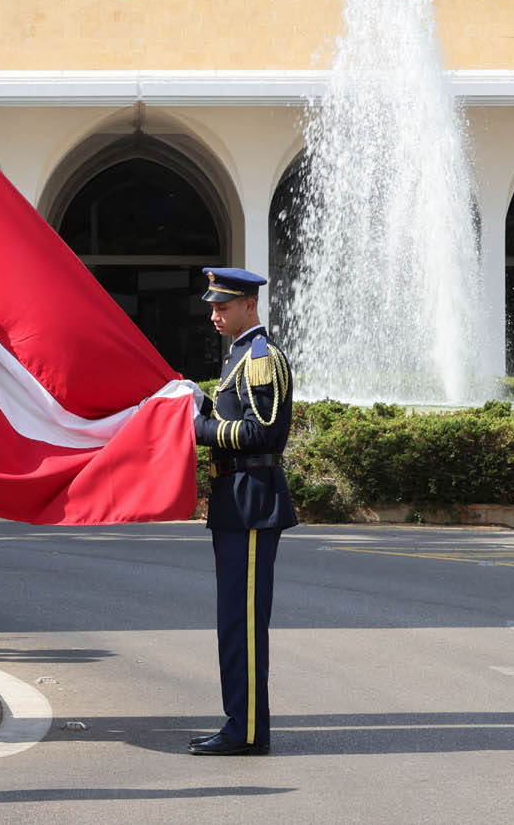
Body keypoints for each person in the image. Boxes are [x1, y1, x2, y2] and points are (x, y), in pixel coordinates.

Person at [188, 267, 298, 756]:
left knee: (244, 626)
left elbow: (262, 434)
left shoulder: (260, 358)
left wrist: (200, 428)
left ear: (248, 306)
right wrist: (203, 404)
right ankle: (242, 723)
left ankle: (247, 730)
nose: (215, 314)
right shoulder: (238, 355)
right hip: (236, 504)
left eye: (223, 306)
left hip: (253, 502)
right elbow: (238, 417)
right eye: (213, 306)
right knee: (234, 622)